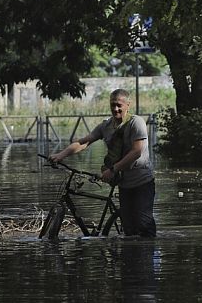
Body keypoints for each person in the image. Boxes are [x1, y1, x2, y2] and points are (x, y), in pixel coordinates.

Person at [49, 88, 156, 237]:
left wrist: (113, 169)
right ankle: (131, 257)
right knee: (129, 230)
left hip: (142, 181)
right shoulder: (105, 126)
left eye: (119, 105)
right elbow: (83, 142)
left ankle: (147, 254)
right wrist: (61, 155)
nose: (116, 109)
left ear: (128, 105)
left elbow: (137, 151)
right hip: (123, 183)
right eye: (112, 105)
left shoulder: (136, 123)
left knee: (144, 226)